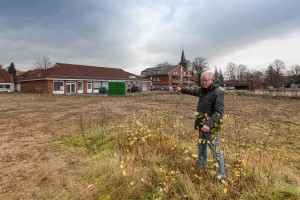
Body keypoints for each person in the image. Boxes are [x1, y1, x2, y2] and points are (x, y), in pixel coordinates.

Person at [175, 72, 226, 180]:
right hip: (201, 126)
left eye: (205, 80)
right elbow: (193, 90)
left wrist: (208, 124)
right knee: (202, 147)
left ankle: (221, 175)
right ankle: (202, 168)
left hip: (210, 128)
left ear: (211, 80)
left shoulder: (217, 92)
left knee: (215, 151)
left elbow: (218, 112)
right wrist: (181, 89)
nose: (203, 82)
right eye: (202, 80)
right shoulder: (203, 90)